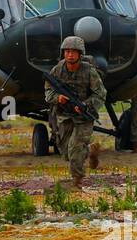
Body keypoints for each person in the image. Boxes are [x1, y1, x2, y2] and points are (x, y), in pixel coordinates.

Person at [44, 36, 106, 187]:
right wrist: (58, 98)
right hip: (64, 116)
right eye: (67, 51)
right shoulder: (57, 70)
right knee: (66, 152)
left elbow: (101, 94)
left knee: (75, 148)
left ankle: (77, 181)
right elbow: (48, 92)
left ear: (80, 54)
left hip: (84, 116)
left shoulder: (89, 71)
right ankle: (90, 151)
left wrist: (86, 105)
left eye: (73, 51)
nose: (69, 54)